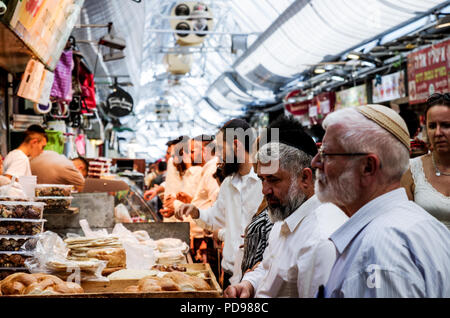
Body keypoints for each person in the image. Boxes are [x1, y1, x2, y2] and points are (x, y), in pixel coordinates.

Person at [312, 104, 450, 297]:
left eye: (326, 154)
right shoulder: (426, 226)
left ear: (368, 167)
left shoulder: (378, 253)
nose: (315, 162)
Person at [224, 132, 348, 298]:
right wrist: (249, 285)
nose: (264, 190)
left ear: (305, 177)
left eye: (273, 179)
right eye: (262, 179)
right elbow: (269, 268)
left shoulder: (320, 240)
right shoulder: (285, 216)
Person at [175, 119, 263, 289]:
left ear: (236, 145)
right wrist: (196, 212)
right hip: (230, 273)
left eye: (222, 149)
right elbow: (216, 219)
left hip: (256, 278)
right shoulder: (228, 184)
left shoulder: (263, 182)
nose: (219, 156)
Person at [401, 93, 450, 229]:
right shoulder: (412, 170)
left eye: (446, 125)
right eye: (432, 126)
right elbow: (404, 223)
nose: (438, 133)